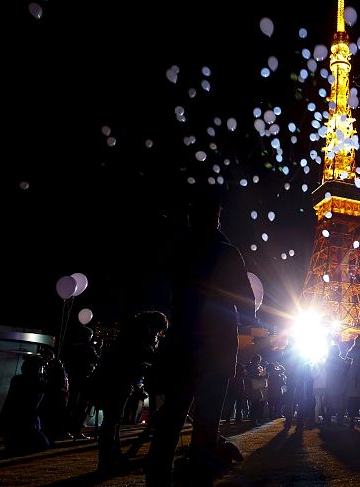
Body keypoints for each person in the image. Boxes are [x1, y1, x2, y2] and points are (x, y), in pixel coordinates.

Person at [146, 196, 256, 486]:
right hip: (217, 348)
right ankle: (198, 472)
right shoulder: (227, 252)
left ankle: (157, 476)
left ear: (190, 219)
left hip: (183, 341)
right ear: (217, 219)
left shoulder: (179, 251)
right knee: (207, 420)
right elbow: (247, 304)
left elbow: (168, 292)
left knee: (171, 418)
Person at [94, 310, 169, 474]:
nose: (158, 334)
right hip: (120, 379)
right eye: (158, 331)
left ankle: (111, 457)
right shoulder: (141, 335)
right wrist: (161, 359)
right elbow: (143, 355)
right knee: (112, 421)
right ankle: (107, 460)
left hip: (112, 377)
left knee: (112, 420)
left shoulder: (130, 332)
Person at [0, 355, 50, 455]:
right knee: (44, 443)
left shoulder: (17, 379)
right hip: (24, 423)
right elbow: (52, 387)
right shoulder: (35, 382)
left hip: (11, 423)